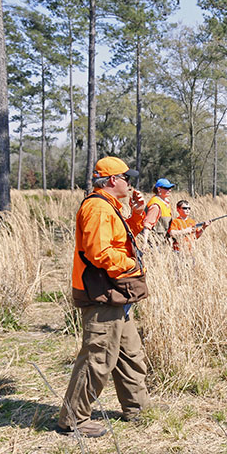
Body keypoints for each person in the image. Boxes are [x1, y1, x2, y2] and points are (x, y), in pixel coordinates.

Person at [57, 156, 151, 438]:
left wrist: (136, 213)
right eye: (126, 178)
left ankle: (136, 408)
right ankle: (73, 419)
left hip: (114, 294)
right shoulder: (98, 208)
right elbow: (99, 252)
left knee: (129, 354)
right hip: (100, 294)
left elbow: (125, 238)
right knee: (97, 358)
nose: (129, 183)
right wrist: (133, 266)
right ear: (113, 181)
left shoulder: (110, 206)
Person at [143, 177, 175, 245]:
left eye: (170, 188)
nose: (169, 190)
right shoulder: (155, 205)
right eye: (167, 188)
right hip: (154, 243)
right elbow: (147, 225)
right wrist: (144, 243)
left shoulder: (166, 203)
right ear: (159, 189)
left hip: (162, 242)